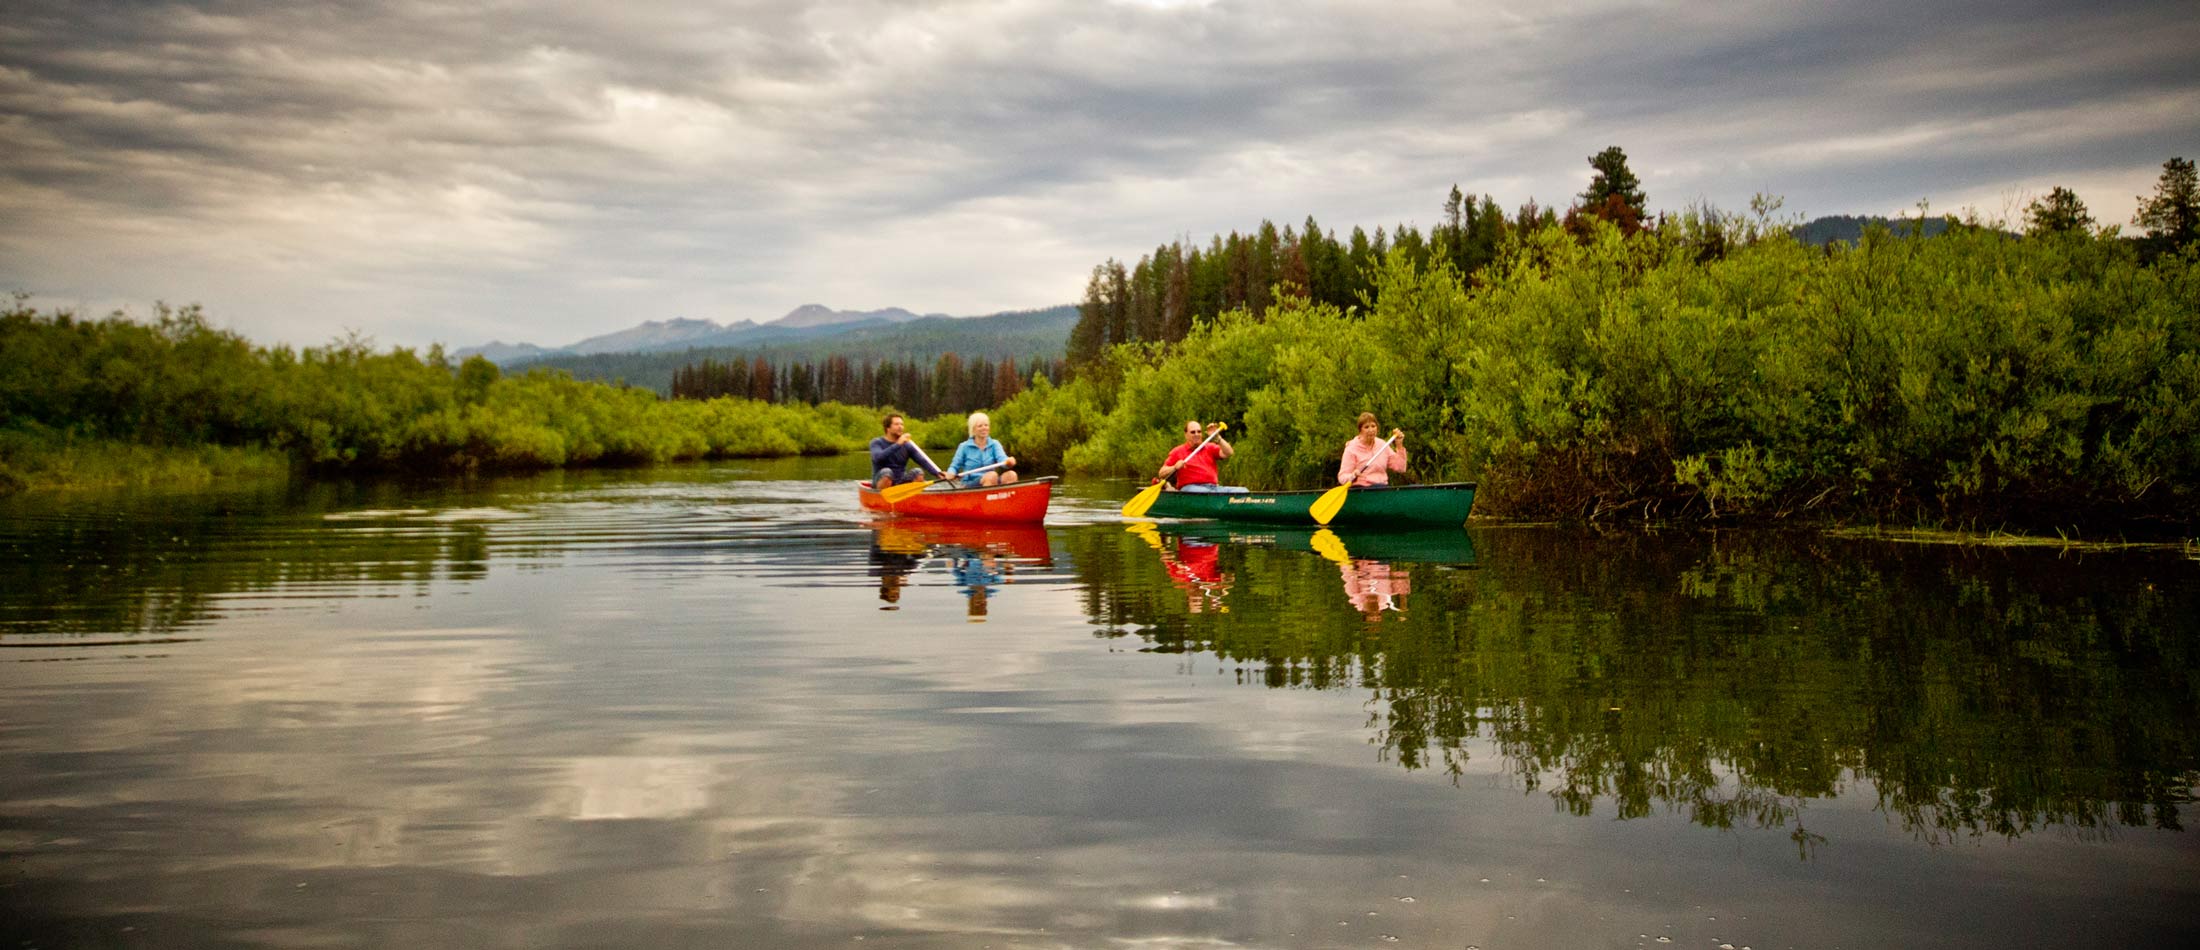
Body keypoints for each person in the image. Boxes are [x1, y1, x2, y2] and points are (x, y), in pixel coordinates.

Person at [1158, 420, 1247, 493]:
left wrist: (1217, 438)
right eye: (1193, 432)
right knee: (1205, 493)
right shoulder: (1177, 451)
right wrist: (1174, 467)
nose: (1196, 434)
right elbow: (1161, 473)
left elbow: (1229, 452)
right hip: (1190, 488)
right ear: (1186, 435)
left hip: (1213, 488)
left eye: (1199, 431)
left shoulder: (1210, 447)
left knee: (1243, 491)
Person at [869, 413, 944, 488]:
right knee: (886, 472)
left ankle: (912, 496)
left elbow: (922, 460)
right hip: (881, 481)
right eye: (896, 424)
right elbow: (877, 458)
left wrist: (937, 473)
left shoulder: (907, 445)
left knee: (918, 472)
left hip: (900, 481)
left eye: (902, 424)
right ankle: (882, 497)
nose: (900, 427)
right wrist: (897, 444)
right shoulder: (876, 442)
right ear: (887, 428)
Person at [948, 412, 1019, 488]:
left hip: (992, 479)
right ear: (973, 429)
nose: (984, 428)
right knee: (992, 475)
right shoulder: (964, 446)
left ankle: (1008, 498)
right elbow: (954, 467)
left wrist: (1008, 462)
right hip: (971, 482)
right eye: (980, 426)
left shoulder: (994, 444)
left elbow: (1002, 460)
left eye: (986, 425)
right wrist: (950, 473)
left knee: (1011, 475)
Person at [1337, 412, 1407, 487]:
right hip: (1361, 490)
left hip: (1381, 488)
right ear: (1360, 431)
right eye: (1366, 427)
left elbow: (1401, 468)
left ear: (1377, 428)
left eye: (1373, 426)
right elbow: (1342, 477)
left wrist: (1399, 445)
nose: (1371, 430)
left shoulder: (1382, 444)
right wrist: (1353, 475)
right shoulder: (1351, 448)